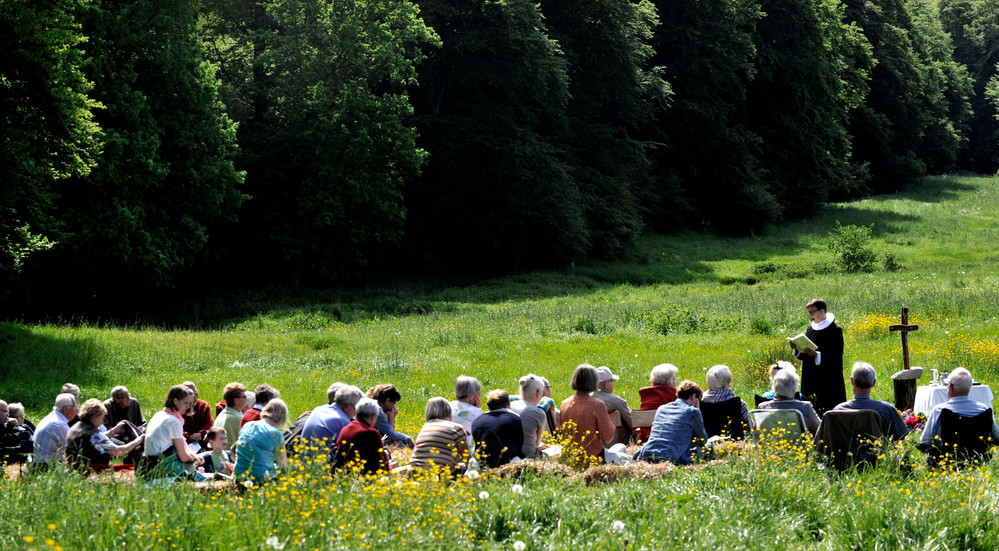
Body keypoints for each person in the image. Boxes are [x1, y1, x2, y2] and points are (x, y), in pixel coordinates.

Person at [789, 298, 846, 415]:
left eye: (812, 312)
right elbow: (804, 353)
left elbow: (836, 356)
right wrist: (796, 348)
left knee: (828, 409)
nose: (810, 315)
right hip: (810, 376)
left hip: (828, 378)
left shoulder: (835, 330)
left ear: (822, 311)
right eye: (809, 313)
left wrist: (816, 355)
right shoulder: (810, 329)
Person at [633, 381, 708, 465]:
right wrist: (698, 411)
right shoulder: (692, 411)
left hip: (646, 454)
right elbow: (702, 440)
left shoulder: (661, 408)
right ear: (693, 396)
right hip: (671, 457)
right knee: (709, 448)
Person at [920, 368, 999, 448]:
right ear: (970, 388)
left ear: (950, 388)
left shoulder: (939, 410)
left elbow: (926, 441)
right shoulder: (984, 410)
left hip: (947, 458)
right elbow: (996, 437)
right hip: (979, 458)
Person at [141, 385, 203, 479]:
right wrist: (196, 460)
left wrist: (192, 455)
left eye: (190, 403)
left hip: (147, 464)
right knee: (202, 478)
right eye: (186, 403)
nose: (188, 407)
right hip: (161, 466)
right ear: (175, 401)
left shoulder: (159, 414)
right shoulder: (174, 422)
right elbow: (183, 456)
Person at [65, 399, 145, 473]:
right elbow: (119, 452)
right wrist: (137, 441)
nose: (102, 422)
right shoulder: (93, 434)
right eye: (102, 418)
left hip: (74, 469)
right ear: (95, 416)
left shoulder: (76, 427)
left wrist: (114, 430)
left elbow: (95, 441)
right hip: (91, 471)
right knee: (134, 469)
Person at [834, 362, 908, 440]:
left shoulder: (838, 410)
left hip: (844, 452)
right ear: (874, 383)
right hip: (878, 451)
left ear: (852, 381)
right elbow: (904, 436)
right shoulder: (886, 410)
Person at [560, 364, 615, 464]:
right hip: (593, 459)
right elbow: (608, 437)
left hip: (570, 459)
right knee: (621, 448)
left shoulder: (564, 404)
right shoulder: (598, 405)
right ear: (594, 381)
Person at [234, 399, 289, 483]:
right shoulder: (276, 434)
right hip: (260, 480)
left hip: (239, 476)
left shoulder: (247, 425)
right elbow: (282, 464)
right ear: (282, 417)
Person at [409, 397, 469, 473]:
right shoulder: (456, 428)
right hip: (441, 474)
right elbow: (467, 459)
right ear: (448, 411)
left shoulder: (425, 427)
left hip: (416, 472)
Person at [332, 398, 389, 475]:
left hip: (342, 473)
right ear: (373, 416)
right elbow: (382, 465)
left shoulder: (346, 428)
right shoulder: (370, 433)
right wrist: (391, 465)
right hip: (361, 477)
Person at [757, 368, 821, 434]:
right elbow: (821, 429)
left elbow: (756, 434)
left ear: (774, 387)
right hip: (798, 444)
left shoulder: (763, 407)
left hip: (771, 443)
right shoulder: (805, 407)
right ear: (795, 389)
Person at [302, 385, 363, 454]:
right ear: (347, 407)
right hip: (321, 461)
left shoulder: (319, 409)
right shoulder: (341, 421)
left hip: (304, 458)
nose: (358, 411)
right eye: (357, 407)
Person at [471, 390, 523, 468]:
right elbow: (520, 443)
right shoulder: (514, 418)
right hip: (508, 465)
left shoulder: (477, 420)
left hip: (483, 464)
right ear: (508, 404)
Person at [32, 393, 79, 468]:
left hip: (38, 463)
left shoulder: (52, 417)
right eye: (75, 406)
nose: (77, 410)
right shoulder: (59, 424)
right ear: (66, 409)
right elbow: (73, 449)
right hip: (45, 467)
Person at [701, 365, 751, 431]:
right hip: (735, 440)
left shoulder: (700, 402)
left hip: (706, 439)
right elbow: (751, 427)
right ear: (727, 383)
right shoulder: (739, 404)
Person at [592, 366, 633, 445]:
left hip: (591, 447)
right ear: (606, 384)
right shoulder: (617, 401)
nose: (613, 384)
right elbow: (632, 424)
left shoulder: (586, 400)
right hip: (616, 445)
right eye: (612, 381)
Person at [509, 374, 547, 459]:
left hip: (509, 456)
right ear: (537, 392)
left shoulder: (509, 406)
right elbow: (537, 444)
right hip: (528, 458)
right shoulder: (539, 413)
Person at [450, 376, 484, 449]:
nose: (480, 395)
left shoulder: (448, 405)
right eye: (478, 392)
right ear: (470, 395)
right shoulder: (476, 412)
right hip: (463, 452)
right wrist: (477, 409)